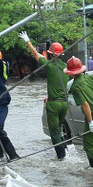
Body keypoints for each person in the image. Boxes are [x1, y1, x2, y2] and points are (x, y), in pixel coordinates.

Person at [19, 31, 68, 160]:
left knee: (54, 133)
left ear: (50, 54)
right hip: (65, 103)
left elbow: (36, 55)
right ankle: (66, 151)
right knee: (59, 129)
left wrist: (27, 41)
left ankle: (62, 157)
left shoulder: (50, 66)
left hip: (54, 104)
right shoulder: (65, 67)